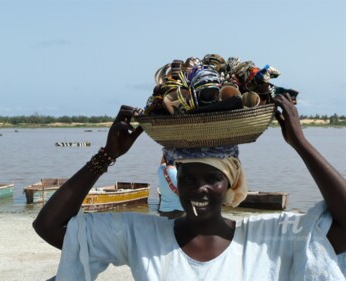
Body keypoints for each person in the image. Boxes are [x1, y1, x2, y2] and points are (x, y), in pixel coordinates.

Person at [33, 96, 346, 280]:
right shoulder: (141, 236)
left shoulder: (269, 237)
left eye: (213, 179)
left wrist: (301, 144)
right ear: (176, 183)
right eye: (189, 179)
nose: (200, 189)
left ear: (231, 183)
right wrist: (107, 156)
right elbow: (49, 225)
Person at [157, 154, 185, 219]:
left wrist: (165, 154)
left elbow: (162, 163)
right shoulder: (182, 172)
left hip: (165, 210)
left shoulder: (160, 170)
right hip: (181, 208)